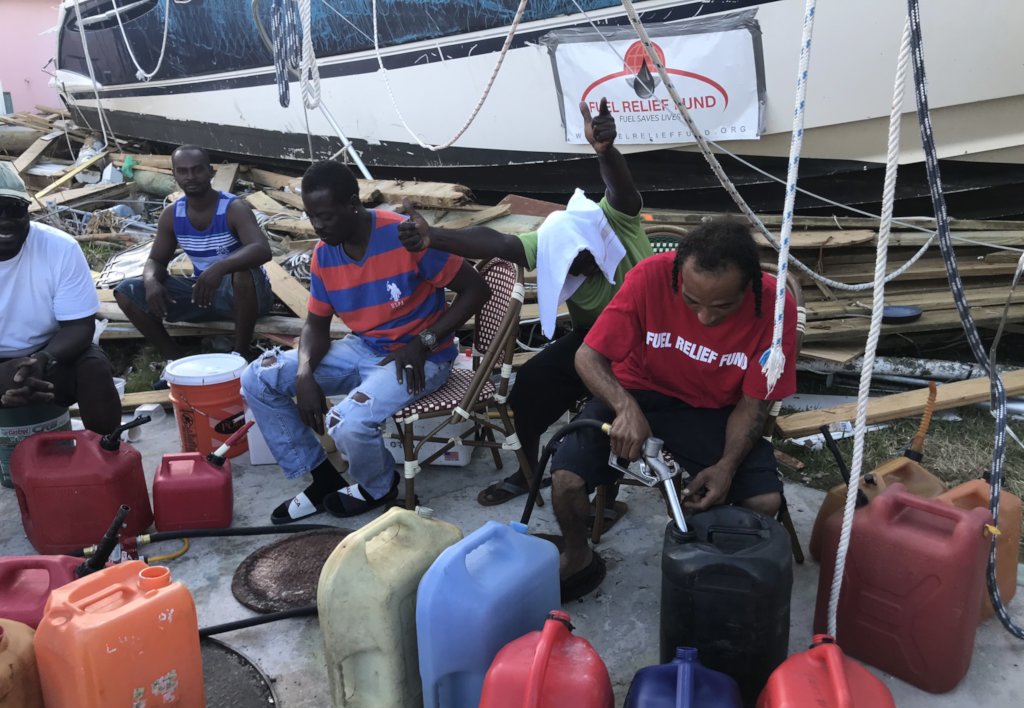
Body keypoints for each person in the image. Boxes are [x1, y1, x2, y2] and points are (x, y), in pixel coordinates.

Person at [398, 98, 652, 511]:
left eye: (585, 259)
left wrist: (606, 153)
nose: (579, 268)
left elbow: (621, 190)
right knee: (528, 387)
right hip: (595, 344)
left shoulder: (613, 222)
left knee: (597, 417)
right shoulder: (554, 242)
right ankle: (527, 472)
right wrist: (435, 238)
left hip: (646, 342)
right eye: (569, 264)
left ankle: (603, 495)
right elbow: (499, 243)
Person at [552, 218, 798, 602]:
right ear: (678, 278)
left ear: (749, 286)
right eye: (692, 301)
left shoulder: (775, 307)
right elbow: (588, 356)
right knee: (566, 479)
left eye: (723, 306)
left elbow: (753, 403)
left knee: (763, 501)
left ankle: (718, 572)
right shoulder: (650, 276)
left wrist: (727, 466)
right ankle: (578, 554)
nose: (704, 317)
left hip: (712, 409)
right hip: (637, 393)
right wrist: (624, 407)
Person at [241, 160, 490, 524]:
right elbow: (316, 324)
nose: (318, 226)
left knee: (348, 421)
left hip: (423, 358)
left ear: (352, 204)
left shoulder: (403, 235)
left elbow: (476, 289)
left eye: (325, 216)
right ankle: (321, 478)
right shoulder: (325, 254)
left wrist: (425, 341)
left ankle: (379, 486)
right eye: (311, 216)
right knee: (258, 378)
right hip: (365, 347)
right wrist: (305, 373)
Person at [114, 145, 273, 364]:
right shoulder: (172, 214)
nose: (190, 176)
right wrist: (150, 280)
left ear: (210, 171)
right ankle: (176, 360)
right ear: (175, 174)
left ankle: (240, 355)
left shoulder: (233, 208)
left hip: (246, 296)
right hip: (203, 292)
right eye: (183, 171)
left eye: (197, 170)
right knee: (127, 291)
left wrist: (220, 268)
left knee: (242, 272)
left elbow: (262, 249)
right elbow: (156, 260)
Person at [0, 161, 120, 433]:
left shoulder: (60, 248)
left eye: (16, 210)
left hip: (47, 352)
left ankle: (106, 458)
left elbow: (79, 326)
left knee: (94, 369)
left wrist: (42, 362)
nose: (5, 220)